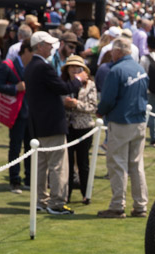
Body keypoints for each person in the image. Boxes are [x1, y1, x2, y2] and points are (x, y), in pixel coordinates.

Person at [25, 30, 83, 215]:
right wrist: (78, 80)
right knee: (58, 165)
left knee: (42, 165)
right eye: (48, 44)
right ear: (40, 46)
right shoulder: (43, 67)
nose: (52, 47)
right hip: (51, 123)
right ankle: (56, 202)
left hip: (38, 124)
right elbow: (62, 88)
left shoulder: (31, 66)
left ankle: (41, 200)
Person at [96, 36, 148, 219]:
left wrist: (100, 111)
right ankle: (140, 205)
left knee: (117, 164)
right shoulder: (139, 68)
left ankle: (118, 205)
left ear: (118, 51)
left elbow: (108, 99)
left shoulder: (116, 71)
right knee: (136, 165)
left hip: (121, 122)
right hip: (139, 121)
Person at [0, 38, 31, 193]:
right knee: (15, 146)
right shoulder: (7, 66)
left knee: (31, 147)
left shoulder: (35, 67)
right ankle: (14, 180)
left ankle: (29, 178)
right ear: (26, 50)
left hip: (31, 112)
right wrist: (15, 88)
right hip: (16, 113)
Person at [63, 54, 97, 205]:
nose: (74, 69)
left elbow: (93, 107)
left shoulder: (90, 85)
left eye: (77, 66)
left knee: (83, 163)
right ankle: (66, 194)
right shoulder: (63, 83)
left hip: (84, 128)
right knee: (67, 163)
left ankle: (86, 194)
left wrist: (76, 104)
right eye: (71, 66)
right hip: (68, 127)